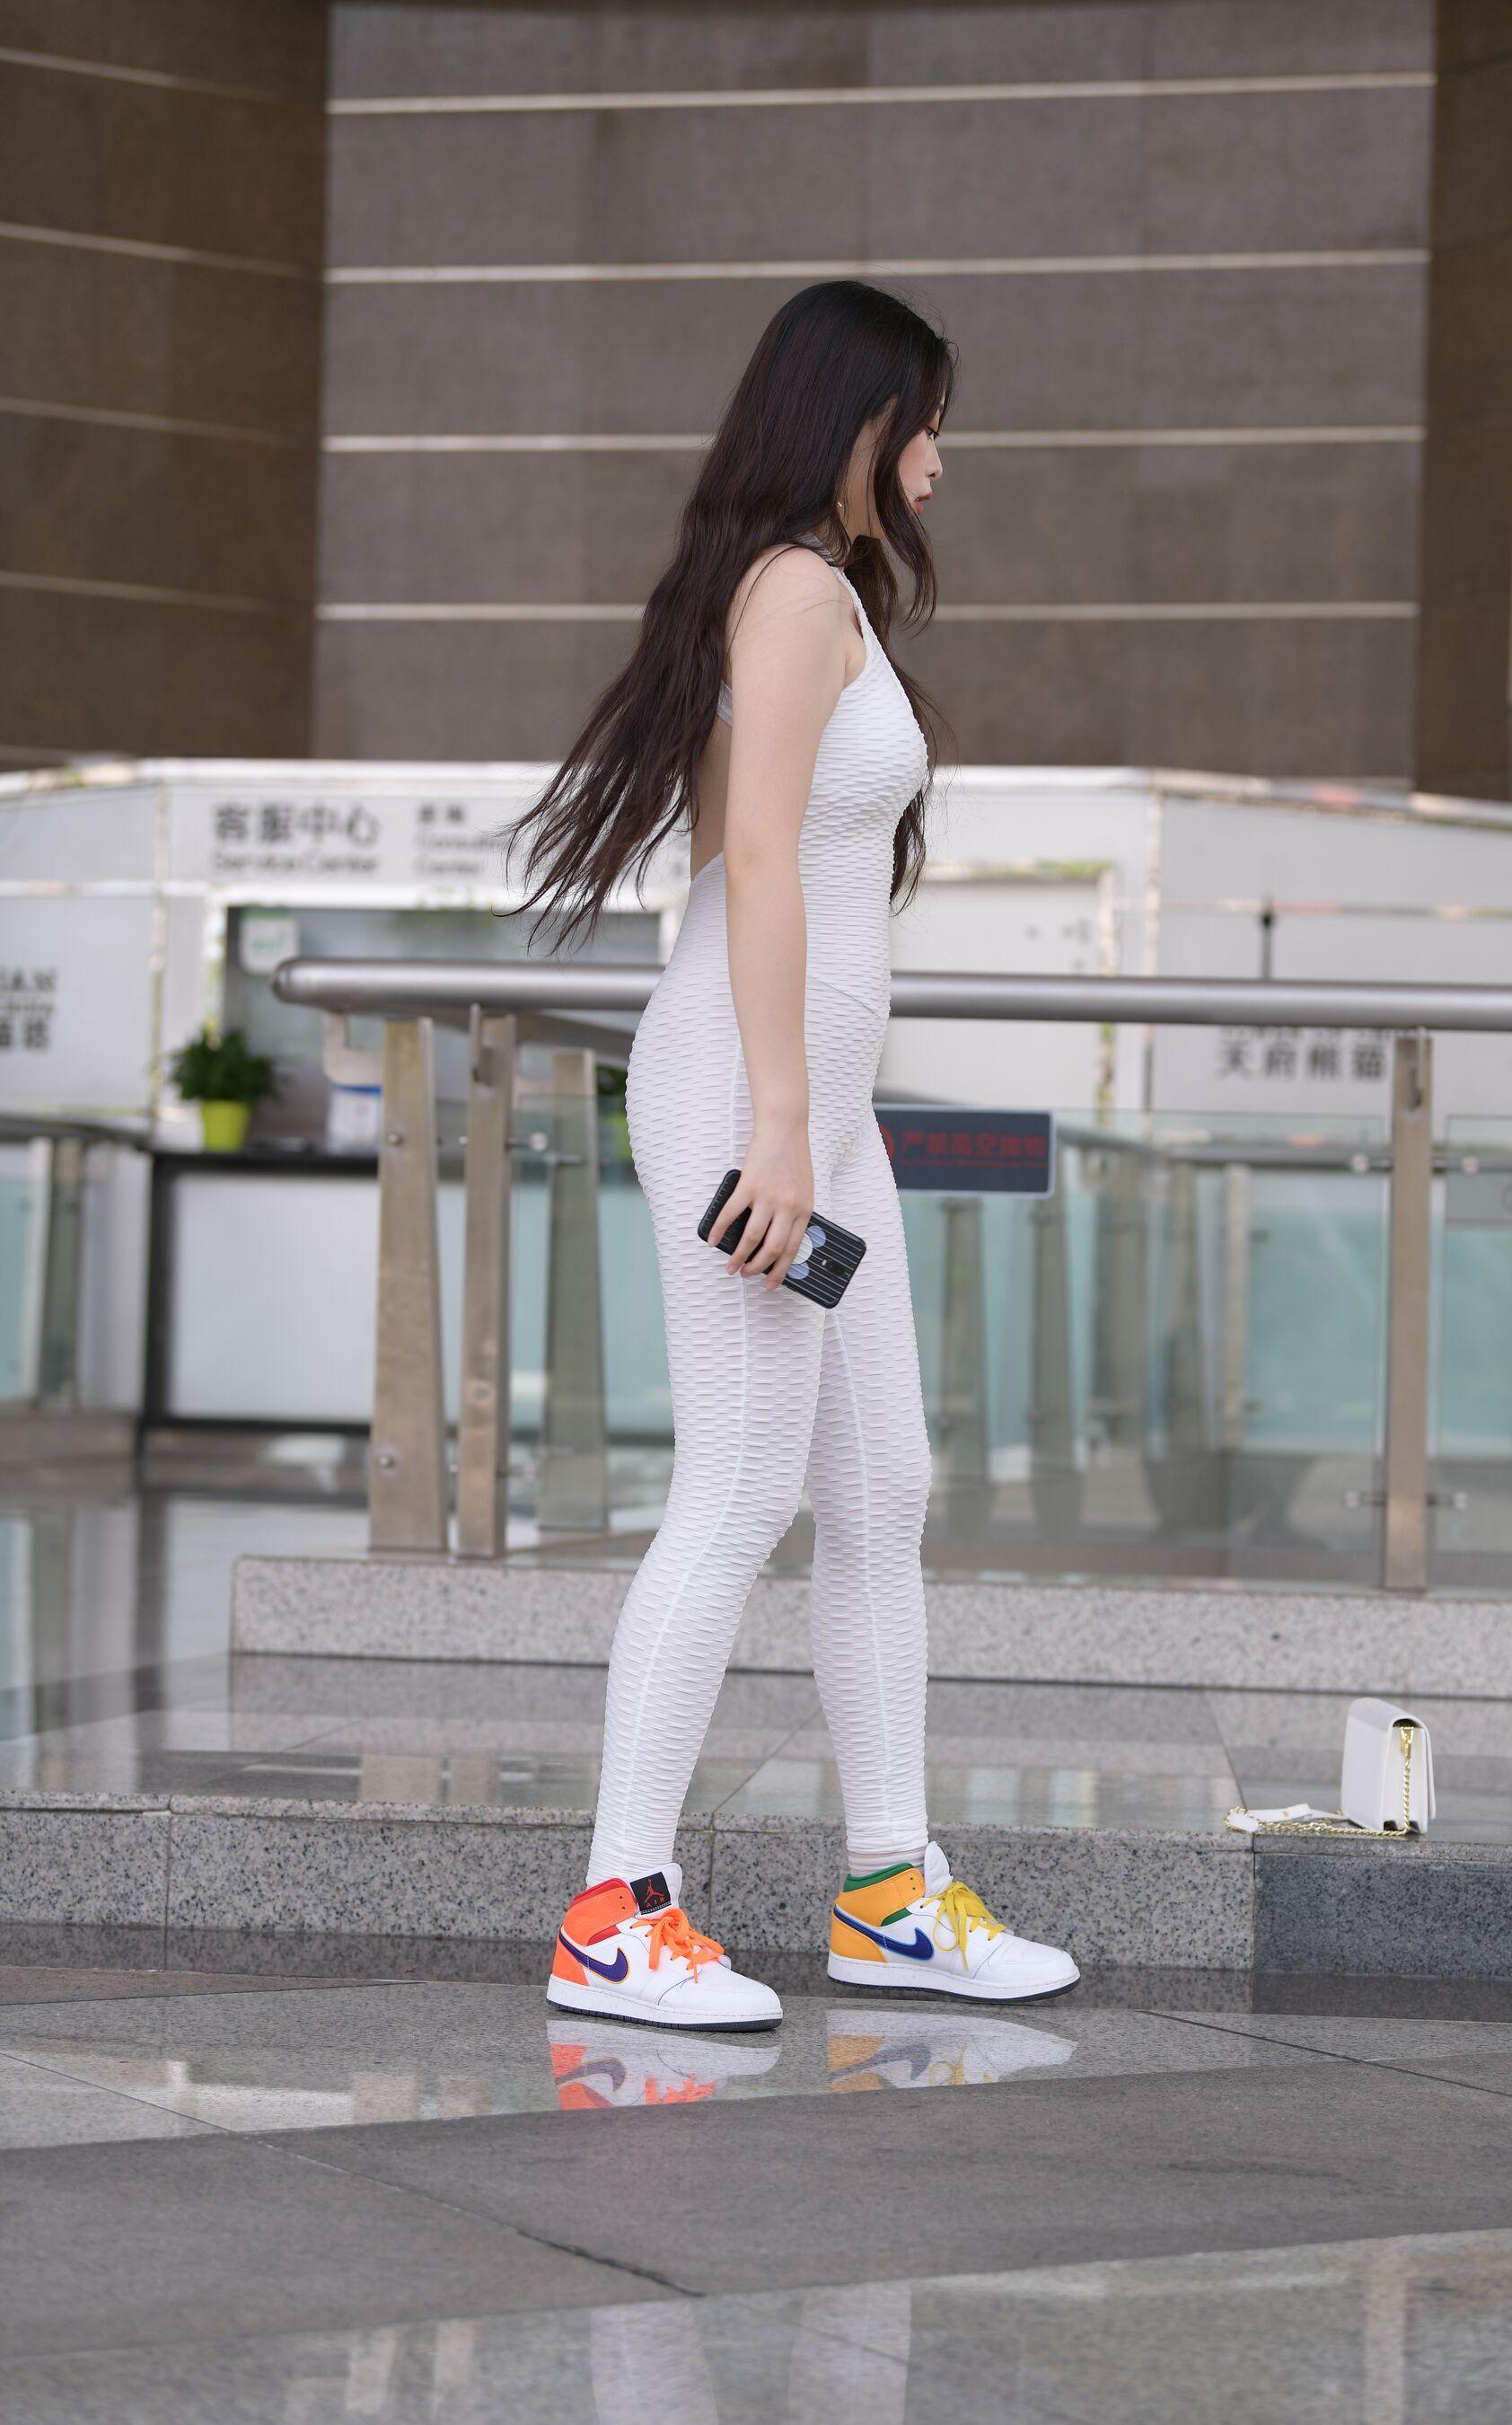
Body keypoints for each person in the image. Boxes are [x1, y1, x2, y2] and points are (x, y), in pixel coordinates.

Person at [501, 280, 1080, 2030]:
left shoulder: (813, 594)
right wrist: (773, 1126)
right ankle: (616, 1911)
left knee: (883, 1487)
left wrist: (815, 1124)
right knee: (744, 1488)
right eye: (925, 427)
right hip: (751, 1106)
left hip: (820, 1117)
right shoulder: (794, 593)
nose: (938, 465)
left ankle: (891, 1891)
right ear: (854, 423)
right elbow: (755, 856)